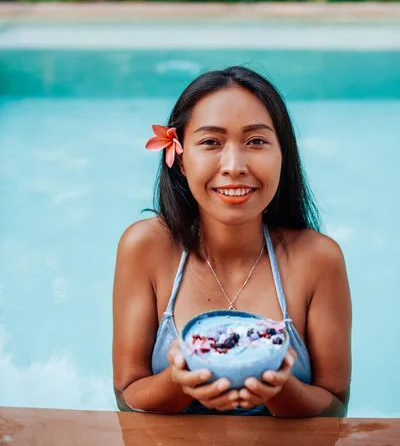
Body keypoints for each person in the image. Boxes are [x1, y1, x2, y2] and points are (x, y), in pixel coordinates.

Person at [112, 66, 352, 416]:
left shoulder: (318, 259)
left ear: (282, 154)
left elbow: (335, 407)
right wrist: (179, 383)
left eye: (256, 141)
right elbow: (126, 395)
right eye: (211, 142)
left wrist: (280, 389)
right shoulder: (145, 248)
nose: (234, 166)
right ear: (179, 157)